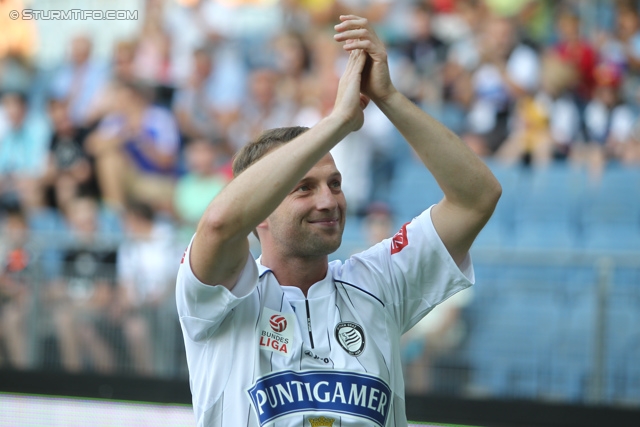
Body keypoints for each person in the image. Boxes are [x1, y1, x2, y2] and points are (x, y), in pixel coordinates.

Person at [176, 15, 501, 427]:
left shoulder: (379, 282)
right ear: (259, 212)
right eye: (303, 188)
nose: (328, 201)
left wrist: (389, 97)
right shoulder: (220, 298)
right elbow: (220, 223)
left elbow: (476, 199)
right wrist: (336, 123)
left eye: (334, 183)